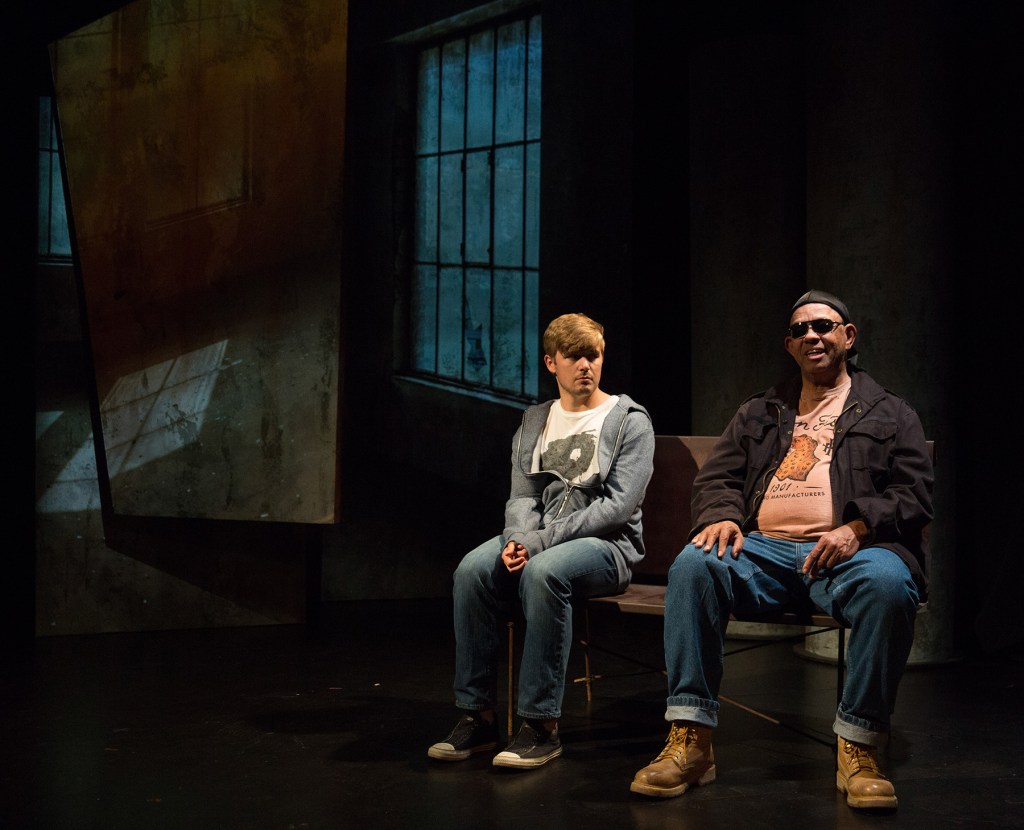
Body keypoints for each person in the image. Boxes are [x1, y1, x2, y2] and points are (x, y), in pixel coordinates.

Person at [631, 290, 933, 810]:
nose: (811, 335)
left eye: (823, 326)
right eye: (799, 330)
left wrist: (858, 527)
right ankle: (690, 739)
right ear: (789, 346)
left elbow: (915, 493)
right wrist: (722, 515)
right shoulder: (760, 410)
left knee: (887, 583)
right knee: (695, 565)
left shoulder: (891, 413)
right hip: (763, 552)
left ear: (848, 336)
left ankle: (860, 747)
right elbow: (717, 478)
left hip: (849, 555)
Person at [428, 312, 655, 769]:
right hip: (540, 539)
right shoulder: (535, 421)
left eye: (593, 356)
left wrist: (538, 543)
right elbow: (522, 496)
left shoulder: (629, 421)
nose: (586, 366)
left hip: (607, 547)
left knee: (544, 572)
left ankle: (540, 725)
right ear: (552, 362)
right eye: (574, 357)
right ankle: (478, 716)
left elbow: (616, 508)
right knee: (472, 570)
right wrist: (517, 538)